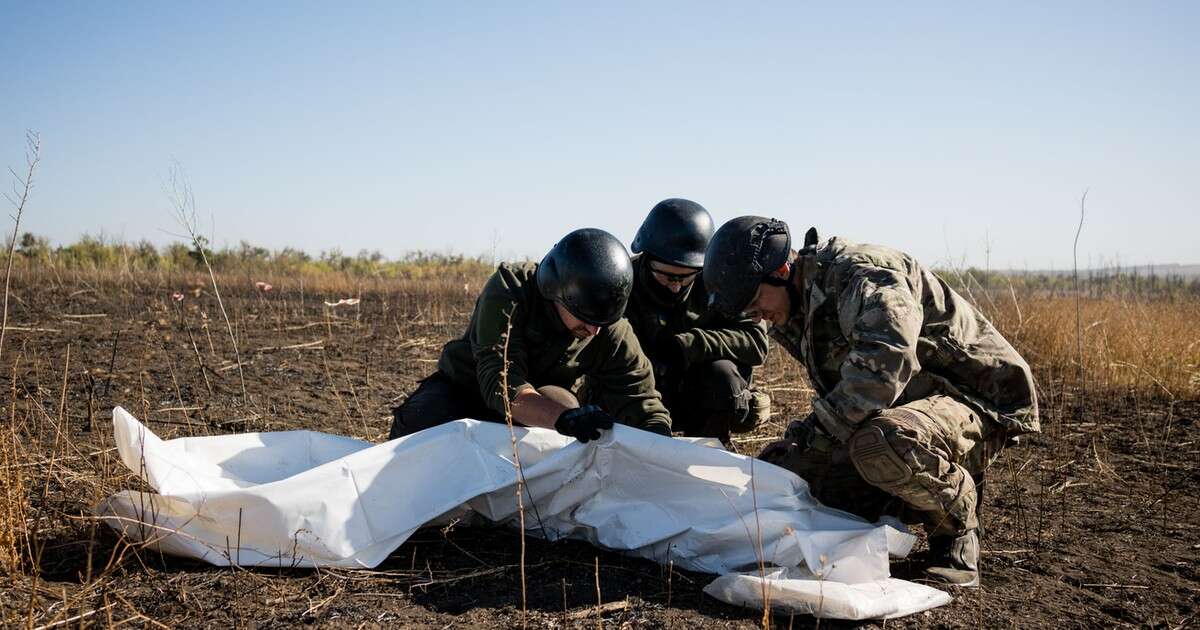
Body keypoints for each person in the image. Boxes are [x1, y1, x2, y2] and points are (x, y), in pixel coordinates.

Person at [703, 216, 1039, 587]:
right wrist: (801, 448)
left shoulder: (864, 275)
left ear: (781, 270)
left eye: (755, 303)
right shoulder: (793, 308)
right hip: (906, 409)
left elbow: (885, 367)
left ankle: (956, 527)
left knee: (879, 443)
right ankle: (898, 501)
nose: (759, 317)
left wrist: (817, 434)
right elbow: (843, 393)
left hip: (976, 401)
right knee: (795, 473)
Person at [389, 228, 672, 443]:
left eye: (603, 322)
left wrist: (661, 447)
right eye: (586, 320)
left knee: (565, 408)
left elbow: (641, 398)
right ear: (558, 294)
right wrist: (562, 419)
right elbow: (500, 382)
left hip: (541, 406)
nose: (594, 331)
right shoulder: (511, 291)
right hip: (467, 391)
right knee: (423, 421)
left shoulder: (607, 328)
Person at [619, 198, 770, 441]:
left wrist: (690, 345)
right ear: (647, 259)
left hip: (698, 393)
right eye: (667, 276)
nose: (676, 287)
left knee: (722, 376)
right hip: (639, 392)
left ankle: (708, 457)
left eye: (686, 278)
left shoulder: (720, 281)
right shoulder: (622, 283)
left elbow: (756, 342)